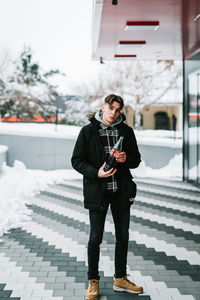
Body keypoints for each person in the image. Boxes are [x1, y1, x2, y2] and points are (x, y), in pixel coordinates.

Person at [71, 94, 143, 300]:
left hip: (121, 192)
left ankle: (120, 278)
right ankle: (93, 281)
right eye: (111, 108)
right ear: (103, 107)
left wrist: (126, 157)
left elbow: (136, 160)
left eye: (118, 109)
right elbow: (76, 161)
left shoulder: (126, 132)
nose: (113, 112)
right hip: (97, 192)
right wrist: (97, 173)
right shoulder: (87, 131)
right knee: (95, 238)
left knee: (123, 237)